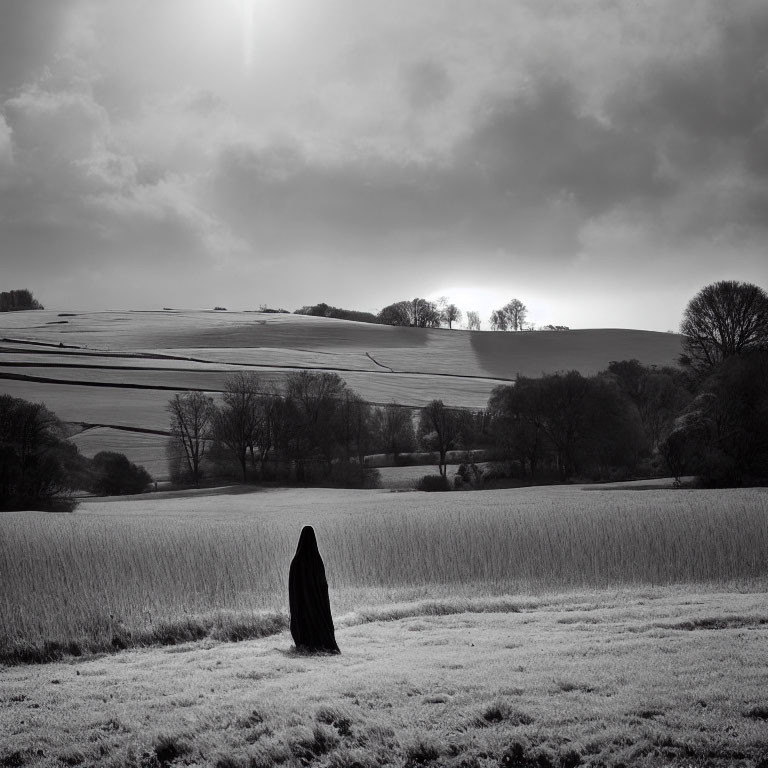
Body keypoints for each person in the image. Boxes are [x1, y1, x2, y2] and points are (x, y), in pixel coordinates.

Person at [288, 526, 340, 654]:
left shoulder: (296, 561)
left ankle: (304, 646)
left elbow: (292, 587)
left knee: (303, 626)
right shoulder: (316, 560)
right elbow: (323, 585)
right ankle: (319, 646)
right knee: (318, 622)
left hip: (301, 604)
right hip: (316, 603)